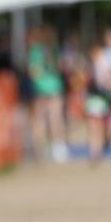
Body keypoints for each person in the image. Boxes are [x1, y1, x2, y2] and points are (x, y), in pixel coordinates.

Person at [27, 26, 68, 162]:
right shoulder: (54, 50)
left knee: (39, 121)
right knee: (55, 119)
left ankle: (40, 149)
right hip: (54, 88)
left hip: (40, 90)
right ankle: (58, 148)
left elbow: (34, 72)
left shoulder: (35, 52)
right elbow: (60, 67)